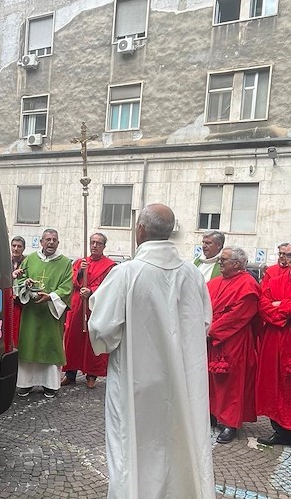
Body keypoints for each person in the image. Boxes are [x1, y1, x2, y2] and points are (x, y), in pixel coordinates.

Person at [88, 204, 214, 499]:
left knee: (132, 444)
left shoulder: (126, 274)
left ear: (140, 230)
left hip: (137, 381)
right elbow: (205, 321)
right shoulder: (193, 275)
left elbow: (102, 329)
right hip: (182, 381)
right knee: (177, 440)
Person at [206, 247, 260, 444]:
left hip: (234, 340)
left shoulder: (248, 285)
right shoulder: (214, 283)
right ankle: (212, 413)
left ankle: (231, 423)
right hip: (213, 340)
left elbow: (238, 316)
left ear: (237, 264)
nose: (220, 262)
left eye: (224, 260)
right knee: (211, 380)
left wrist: (210, 329)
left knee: (232, 383)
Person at [16, 229, 73, 398]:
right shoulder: (30, 259)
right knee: (29, 345)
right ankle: (26, 383)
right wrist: (25, 283)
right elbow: (20, 278)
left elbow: (67, 287)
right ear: (41, 242)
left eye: (54, 240)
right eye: (48, 239)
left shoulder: (64, 263)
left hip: (51, 314)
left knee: (50, 346)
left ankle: (50, 385)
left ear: (58, 243)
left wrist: (51, 296)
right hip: (31, 312)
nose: (51, 242)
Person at [62, 233, 116, 389]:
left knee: (93, 341)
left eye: (98, 243)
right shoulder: (80, 262)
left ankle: (91, 375)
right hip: (78, 306)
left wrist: (91, 291)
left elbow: (110, 287)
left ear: (104, 246)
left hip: (95, 307)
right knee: (73, 339)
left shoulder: (110, 266)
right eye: (92, 242)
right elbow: (69, 281)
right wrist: (79, 272)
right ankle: (70, 373)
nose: (94, 246)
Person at [256, 248, 291, 446]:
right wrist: (284, 314)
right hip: (274, 340)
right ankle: (279, 431)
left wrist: (282, 305)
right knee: (274, 386)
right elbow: (264, 306)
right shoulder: (276, 281)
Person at [11, 236, 26, 347]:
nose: (16, 249)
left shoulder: (27, 262)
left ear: (23, 248)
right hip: (7, 301)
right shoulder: (4, 261)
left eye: (19, 246)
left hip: (21, 303)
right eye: (14, 246)